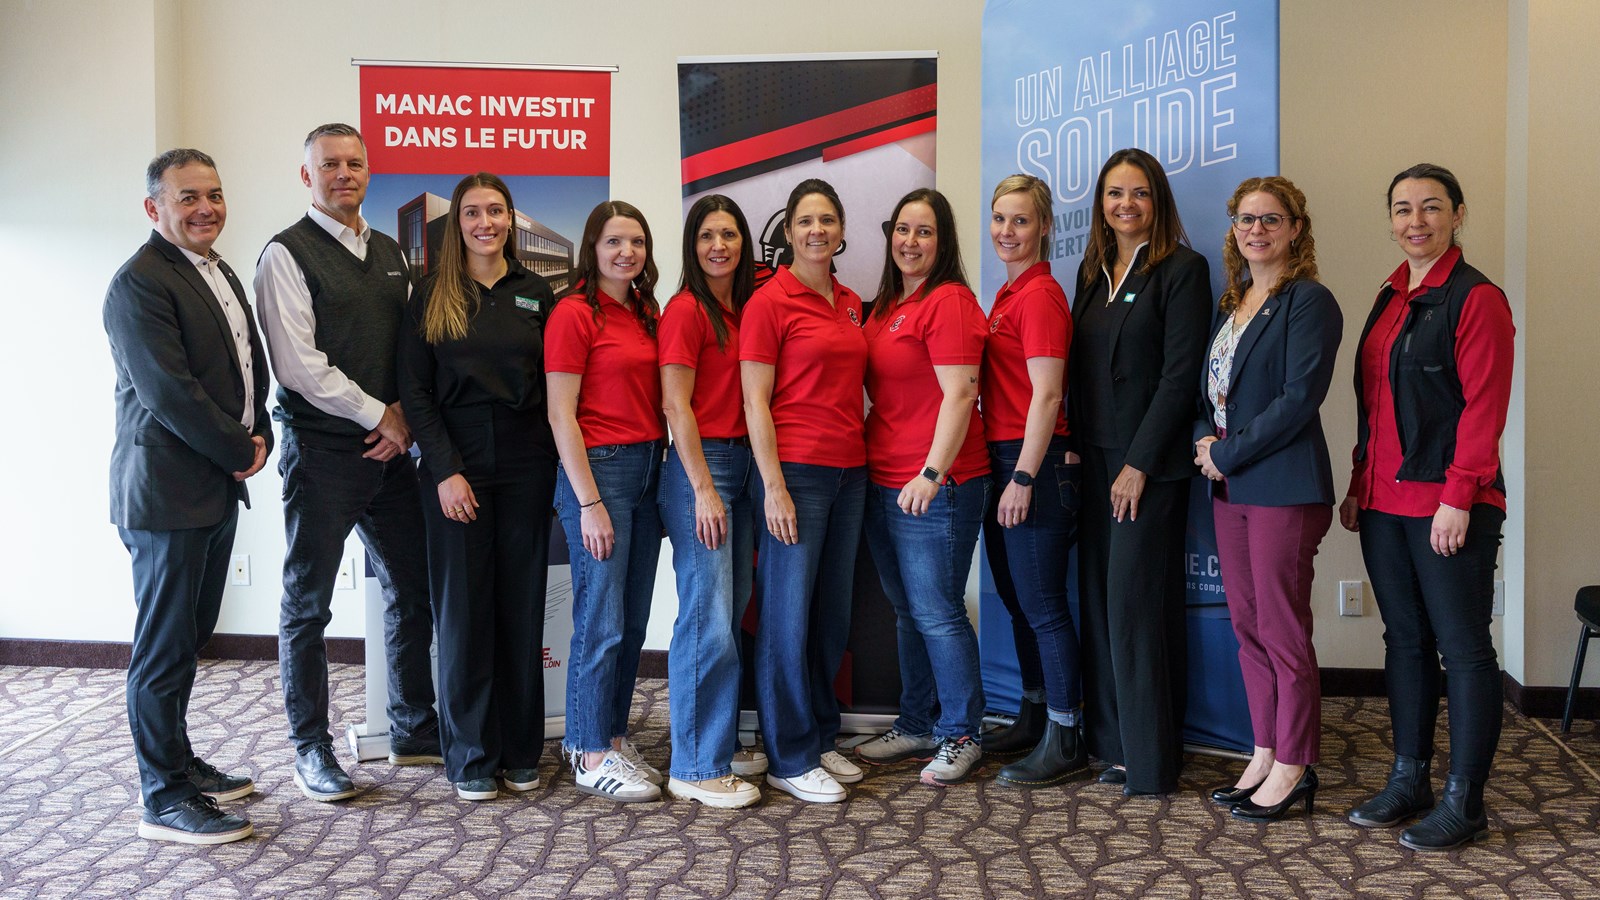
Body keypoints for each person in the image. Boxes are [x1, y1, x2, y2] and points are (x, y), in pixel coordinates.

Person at [256, 123, 439, 803]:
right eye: (329, 164)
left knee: (412, 589)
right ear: (307, 176)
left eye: (354, 163)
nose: (343, 174)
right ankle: (311, 748)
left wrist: (404, 422)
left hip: (391, 455)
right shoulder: (286, 254)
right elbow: (299, 366)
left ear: (369, 171)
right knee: (307, 606)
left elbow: (410, 350)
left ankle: (414, 727)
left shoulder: (390, 251)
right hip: (324, 456)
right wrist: (379, 415)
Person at [1340, 164, 1514, 851]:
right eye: (1404, 208)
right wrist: (1359, 485)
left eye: (1432, 207)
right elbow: (1376, 406)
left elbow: (1483, 409)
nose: (1416, 220)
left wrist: (1458, 497)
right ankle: (1408, 779)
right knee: (1404, 641)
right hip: (1384, 503)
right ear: (1391, 220)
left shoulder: (1477, 299)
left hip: (1450, 505)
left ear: (1458, 214)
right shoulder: (1390, 294)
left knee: (1464, 649)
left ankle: (1464, 802)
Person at [105, 149, 272, 844]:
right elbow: (171, 393)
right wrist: (242, 451)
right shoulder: (138, 283)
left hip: (212, 487)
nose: (205, 207)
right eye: (187, 197)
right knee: (164, 647)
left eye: (214, 193)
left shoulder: (215, 266)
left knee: (191, 636)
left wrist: (261, 430)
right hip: (168, 493)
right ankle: (163, 796)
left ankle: (179, 761)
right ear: (154, 208)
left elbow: (242, 364)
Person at [396, 173, 557, 801]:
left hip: (526, 462)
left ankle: (520, 752)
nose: (484, 222)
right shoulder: (430, 294)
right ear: (455, 223)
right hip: (455, 461)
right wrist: (445, 470)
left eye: (495, 211)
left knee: (520, 608)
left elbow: (554, 386)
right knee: (463, 614)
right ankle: (469, 758)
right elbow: (416, 391)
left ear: (511, 220)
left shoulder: (537, 293)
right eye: (472, 212)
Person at [1192, 177, 1342, 820]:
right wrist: (1204, 438)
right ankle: (1264, 749)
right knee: (1249, 627)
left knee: (1283, 629)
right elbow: (1211, 398)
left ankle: (1295, 763)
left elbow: (1298, 400)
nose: (1257, 230)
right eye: (1246, 219)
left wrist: (1224, 453)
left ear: (1296, 230)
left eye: (1272, 220)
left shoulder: (1309, 301)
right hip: (1230, 489)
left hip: (1282, 485)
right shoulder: (1233, 304)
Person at [1070, 148, 1212, 797]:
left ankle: (1151, 762)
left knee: (1135, 607)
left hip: (1145, 469)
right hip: (1094, 460)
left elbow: (1182, 377)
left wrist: (1137, 464)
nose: (1125, 205)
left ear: (1157, 202)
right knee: (1101, 603)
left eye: (1138, 193)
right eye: (1113, 193)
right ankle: (1113, 744)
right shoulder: (1091, 270)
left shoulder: (1182, 269)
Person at [854, 189, 990, 786]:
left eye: (925, 232)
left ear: (944, 241)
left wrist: (932, 474)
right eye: (903, 229)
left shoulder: (950, 301)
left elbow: (961, 394)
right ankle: (916, 723)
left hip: (938, 483)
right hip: (883, 477)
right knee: (909, 611)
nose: (911, 242)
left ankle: (962, 733)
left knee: (937, 613)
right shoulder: (887, 304)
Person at [741, 179, 868, 803]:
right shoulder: (770, 301)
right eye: (804, 221)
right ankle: (788, 756)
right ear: (788, 232)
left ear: (841, 230)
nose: (816, 230)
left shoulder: (851, 301)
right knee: (787, 618)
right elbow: (754, 401)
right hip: (797, 473)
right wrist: (774, 487)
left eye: (827, 219)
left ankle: (819, 738)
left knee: (830, 616)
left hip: (852, 473)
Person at [547, 201, 667, 803]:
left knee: (634, 619)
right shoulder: (574, 314)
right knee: (601, 619)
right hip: (600, 474)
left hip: (648, 471)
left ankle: (612, 737)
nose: (627, 252)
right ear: (592, 247)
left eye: (637, 242)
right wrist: (589, 502)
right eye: (615, 241)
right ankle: (589, 750)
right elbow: (560, 414)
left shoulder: (647, 311)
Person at [656, 195, 766, 809]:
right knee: (707, 617)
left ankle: (711, 741)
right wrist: (702, 488)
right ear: (692, 247)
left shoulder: (744, 308)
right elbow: (677, 406)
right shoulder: (686, 310)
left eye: (728, 234)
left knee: (731, 609)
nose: (718, 245)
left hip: (746, 463)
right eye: (706, 236)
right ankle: (696, 765)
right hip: (708, 468)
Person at [979, 175, 1087, 789]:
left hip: (1034, 467)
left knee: (1044, 608)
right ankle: (1032, 715)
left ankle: (1065, 735)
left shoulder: (1041, 295)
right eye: (999, 218)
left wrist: (1022, 475)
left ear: (1044, 226)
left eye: (1020, 220)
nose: (1006, 231)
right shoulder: (1007, 294)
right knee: (1021, 602)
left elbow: (1048, 394)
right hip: (1004, 462)